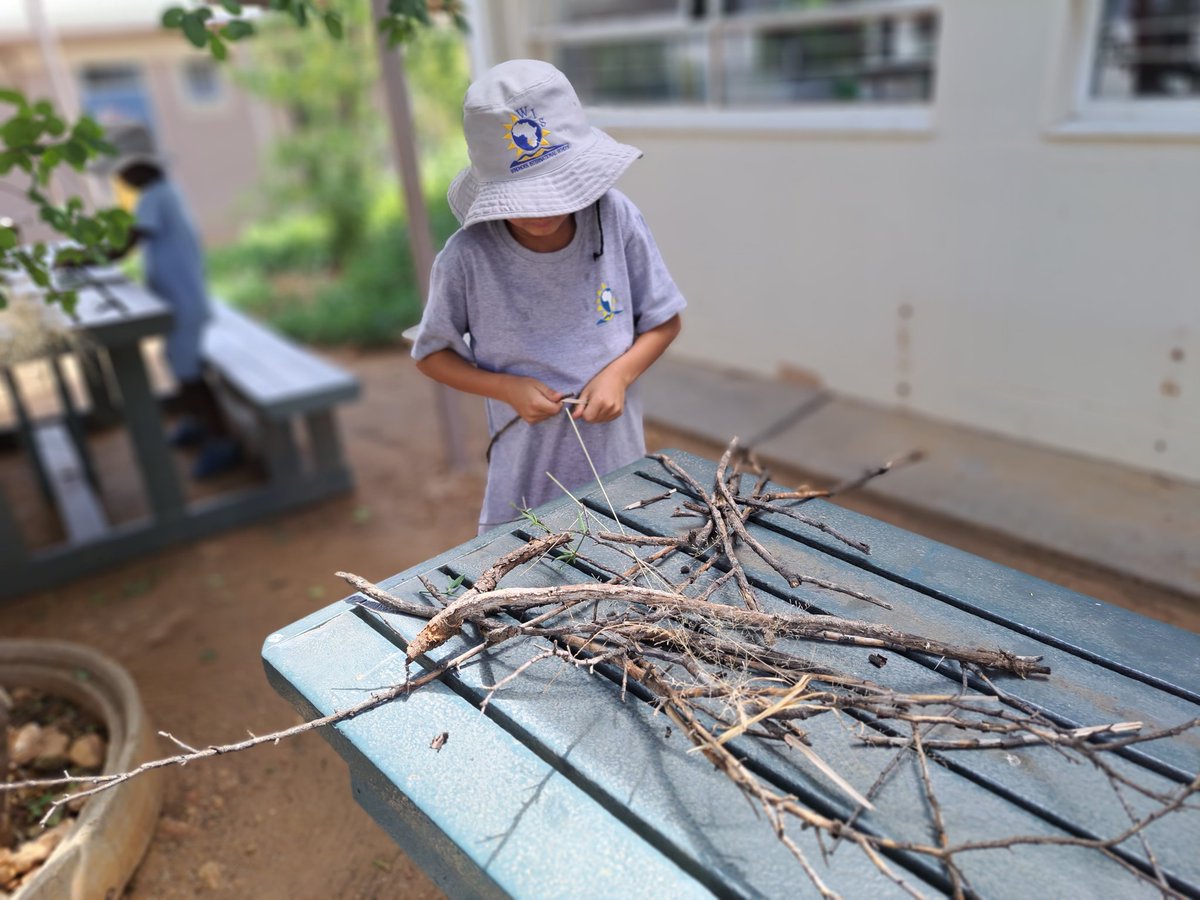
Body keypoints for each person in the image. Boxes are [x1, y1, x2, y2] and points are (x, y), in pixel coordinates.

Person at [412, 59, 685, 534]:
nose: (541, 212)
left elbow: (664, 320)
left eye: (555, 193)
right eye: (522, 200)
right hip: (525, 486)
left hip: (619, 473)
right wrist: (506, 389)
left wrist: (618, 376)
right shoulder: (466, 258)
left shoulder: (617, 219)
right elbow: (432, 355)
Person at [92, 124, 241, 479]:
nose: (122, 178)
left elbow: (127, 242)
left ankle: (222, 440)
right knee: (177, 363)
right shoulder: (164, 192)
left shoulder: (155, 196)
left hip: (184, 302)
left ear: (142, 167)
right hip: (182, 300)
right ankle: (195, 421)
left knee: (190, 374)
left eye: (124, 170)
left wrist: (88, 257)